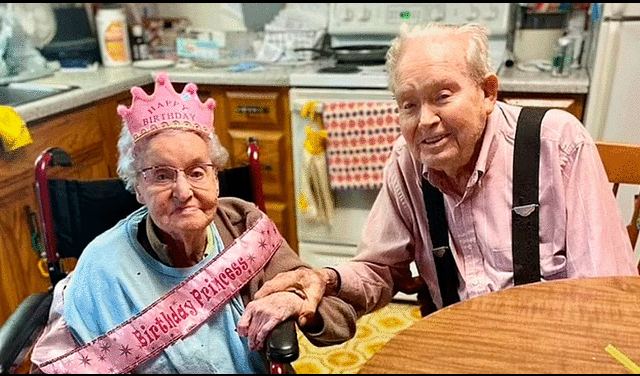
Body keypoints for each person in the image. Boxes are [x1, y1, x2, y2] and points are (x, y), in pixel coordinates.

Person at [241, 22, 639, 334]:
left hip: (550, 344)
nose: (426, 120)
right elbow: (380, 270)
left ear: (487, 92)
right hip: (456, 342)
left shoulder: (556, 141)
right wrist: (324, 278)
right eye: (409, 104)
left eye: (443, 95)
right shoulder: (406, 162)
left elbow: (605, 293)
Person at [29, 72, 356, 374]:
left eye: (197, 171)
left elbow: (340, 319)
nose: (183, 192)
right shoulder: (100, 269)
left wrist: (297, 301)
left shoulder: (242, 228)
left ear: (216, 179)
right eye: (161, 175)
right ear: (137, 188)